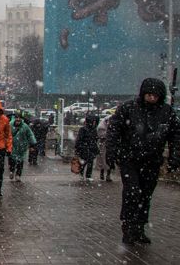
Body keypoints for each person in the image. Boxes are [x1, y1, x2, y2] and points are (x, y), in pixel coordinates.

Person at [106, 78, 180, 244]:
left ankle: (139, 227)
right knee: (132, 192)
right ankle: (128, 226)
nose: (152, 98)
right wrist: (112, 152)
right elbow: (114, 129)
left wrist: (174, 157)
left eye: (155, 95)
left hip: (152, 161)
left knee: (145, 195)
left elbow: (175, 136)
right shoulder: (128, 108)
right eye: (149, 95)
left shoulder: (167, 112)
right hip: (130, 159)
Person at [9, 115, 36, 182]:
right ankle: (11, 171)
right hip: (12, 146)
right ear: (14, 118)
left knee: (20, 162)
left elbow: (30, 135)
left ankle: (18, 175)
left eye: (19, 118)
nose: (18, 119)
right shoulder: (10, 125)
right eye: (16, 118)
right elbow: (6, 135)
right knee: (12, 160)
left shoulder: (25, 126)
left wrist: (33, 144)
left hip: (22, 147)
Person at [75, 114, 100, 181]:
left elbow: (96, 138)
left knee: (90, 162)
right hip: (84, 148)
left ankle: (88, 175)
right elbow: (79, 139)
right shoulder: (83, 129)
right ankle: (82, 174)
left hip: (90, 148)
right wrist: (79, 147)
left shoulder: (93, 129)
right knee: (84, 162)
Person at [96, 116, 113, 182]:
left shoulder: (109, 127)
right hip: (103, 146)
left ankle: (107, 175)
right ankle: (102, 174)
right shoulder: (101, 127)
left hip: (109, 146)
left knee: (109, 161)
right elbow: (101, 135)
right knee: (103, 161)